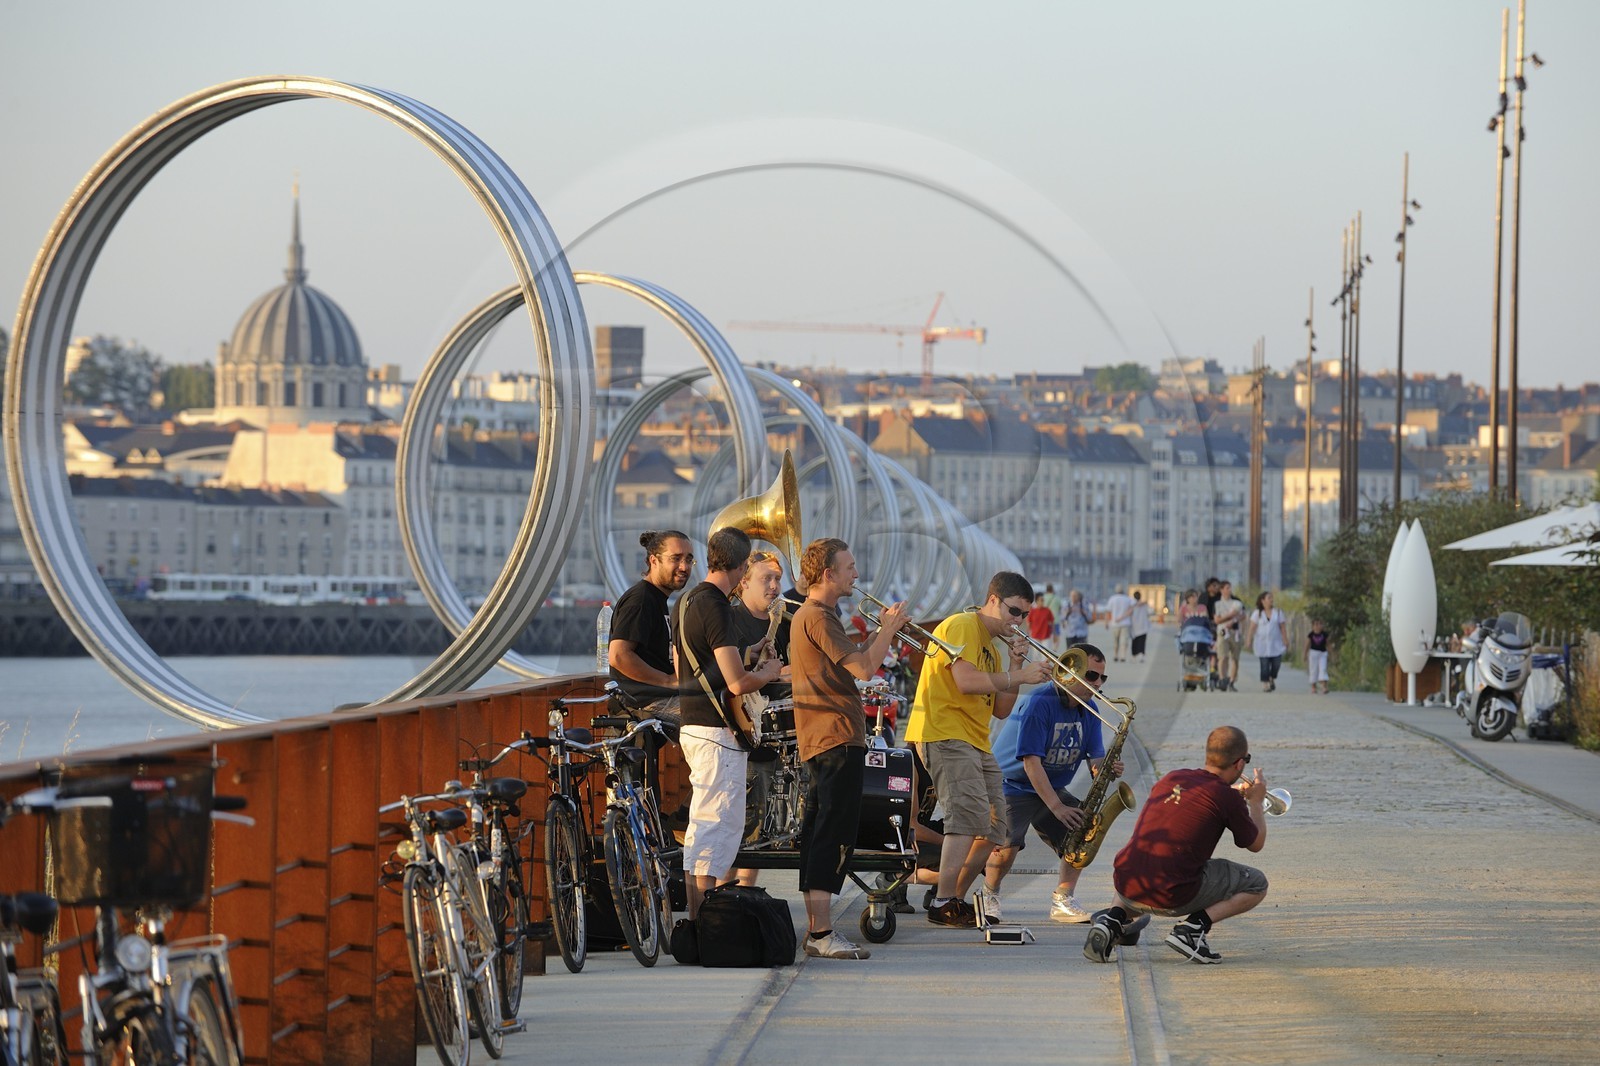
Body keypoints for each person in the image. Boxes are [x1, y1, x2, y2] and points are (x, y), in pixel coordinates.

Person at [904, 571, 1050, 928]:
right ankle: (943, 900)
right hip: (945, 733)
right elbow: (965, 681)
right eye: (1014, 611)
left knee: (997, 826)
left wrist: (1015, 665)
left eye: (1025, 615)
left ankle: (951, 897)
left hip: (976, 740)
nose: (1018, 621)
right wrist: (1021, 676)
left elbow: (1001, 708)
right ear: (993, 600)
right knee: (966, 817)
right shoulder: (964, 626)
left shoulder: (990, 646)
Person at [788, 537, 907, 959]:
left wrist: (877, 633)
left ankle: (817, 931)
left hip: (825, 736)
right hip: (835, 737)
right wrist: (889, 630)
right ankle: (821, 933)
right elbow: (864, 668)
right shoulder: (818, 616)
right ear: (828, 573)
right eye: (850, 567)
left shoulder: (816, 615)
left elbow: (852, 659)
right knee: (832, 835)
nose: (856, 574)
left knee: (820, 833)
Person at [1084, 725, 1269, 965]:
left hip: (1126, 886)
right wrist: (1256, 802)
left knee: (1145, 857)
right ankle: (1192, 929)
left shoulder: (1173, 777)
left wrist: (1234, 795)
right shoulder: (1227, 798)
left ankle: (1112, 920)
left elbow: (1201, 798)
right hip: (1172, 896)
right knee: (1257, 883)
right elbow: (1256, 843)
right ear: (1240, 763)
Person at [674, 527, 785, 918]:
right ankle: (708, 920)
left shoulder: (686, 601)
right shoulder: (717, 606)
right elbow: (737, 683)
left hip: (693, 724)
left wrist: (749, 652)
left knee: (702, 828)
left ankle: (698, 918)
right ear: (740, 567)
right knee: (717, 830)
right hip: (717, 733)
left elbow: (694, 665)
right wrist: (769, 672)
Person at [983, 642, 1122, 924]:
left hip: (1051, 785)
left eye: (1102, 677)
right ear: (1071, 672)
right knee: (1006, 847)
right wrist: (1057, 807)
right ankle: (989, 894)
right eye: (1092, 676)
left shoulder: (1090, 708)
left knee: (1084, 832)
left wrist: (1106, 768)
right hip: (1011, 784)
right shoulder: (1040, 702)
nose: (1098, 683)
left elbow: (1095, 757)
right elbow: (1030, 763)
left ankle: (1063, 899)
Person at [608, 529, 693, 719]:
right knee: (712, 717)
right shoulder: (640, 600)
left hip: (662, 699)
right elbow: (618, 655)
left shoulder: (656, 599)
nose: (684, 567)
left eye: (688, 560)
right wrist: (668, 681)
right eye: (676, 558)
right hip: (645, 705)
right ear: (654, 561)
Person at [1244, 591, 1289, 692]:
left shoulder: (1278, 613)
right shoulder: (1257, 613)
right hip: (1262, 643)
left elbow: (1282, 627)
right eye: (1269, 598)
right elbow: (1252, 628)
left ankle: (1272, 678)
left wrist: (1285, 639)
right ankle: (1265, 684)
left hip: (1276, 643)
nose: (1271, 600)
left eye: (1272, 598)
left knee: (1276, 664)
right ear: (1263, 600)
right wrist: (1248, 640)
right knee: (1264, 665)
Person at [1212, 580, 1245, 692]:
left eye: (1230, 588)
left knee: (1235, 657)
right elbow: (1217, 620)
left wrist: (1233, 620)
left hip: (1235, 632)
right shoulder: (1217, 604)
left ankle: (1232, 681)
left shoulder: (1237, 602)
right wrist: (1230, 615)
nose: (1229, 590)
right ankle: (1222, 678)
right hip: (1222, 631)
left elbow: (1243, 615)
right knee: (1222, 656)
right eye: (1227, 588)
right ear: (1221, 590)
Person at [1105, 585, 1134, 662]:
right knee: (1124, 640)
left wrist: (1106, 623)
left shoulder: (1112, 599)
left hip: (1115, 623)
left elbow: (1108, 611)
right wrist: (1122, 617)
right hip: (1125, 623)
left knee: (1116, 640)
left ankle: (1115, 655)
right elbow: (1131, 610)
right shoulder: (1127, 599)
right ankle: (1123, 656)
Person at [1306, 619, 1330, 694]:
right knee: (1313, 669)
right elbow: (1307, 645)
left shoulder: (1324, 635)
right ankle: (1313, 686)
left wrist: (1331, 653)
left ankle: (1324, 687)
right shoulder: (1311, 635)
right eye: (1316, 624)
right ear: (1313, 626)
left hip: (1323, 653)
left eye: (1320, 624)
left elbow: (1328, 644)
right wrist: (1305, 654)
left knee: (1323, 668)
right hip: (1313, 653)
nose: (1318, 626)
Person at [1129, 591, 1152, 663]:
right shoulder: (1144, 604)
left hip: (1134, 626)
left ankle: (1134, 656)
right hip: (1143, 626)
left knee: (1134, 642)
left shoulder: (1132, 605)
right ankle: (1141, 656)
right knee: (1142, 642)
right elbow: (1150, 612)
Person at [1042, 583, 1064, 652]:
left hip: (1046, 621)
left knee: (1046, 637)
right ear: (1052, 589)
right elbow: (1060, 608)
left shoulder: (1043, 598)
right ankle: (1054, 650)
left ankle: (1047, 650)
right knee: (1056, 635)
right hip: (1055, 620)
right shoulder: (1057, 598)